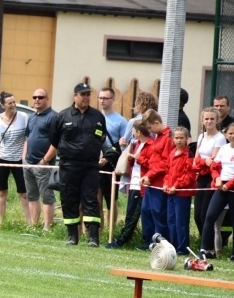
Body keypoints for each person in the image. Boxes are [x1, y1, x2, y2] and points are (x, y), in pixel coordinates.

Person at [41, 83, 107, 246]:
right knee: (69, 199)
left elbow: (102, 137)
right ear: (75, 96)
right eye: (82, 94)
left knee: (91, 199)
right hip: (69, 165)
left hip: (90, 166)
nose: (86, 97)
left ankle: (93, 237)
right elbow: (55, 140)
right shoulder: (63, 116)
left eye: (88, 94)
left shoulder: (98, 117)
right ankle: (72, 236)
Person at [200, 122, 234, 261]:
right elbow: (215, 166)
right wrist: (217, 179)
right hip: (221, 186)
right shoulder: (224, 149)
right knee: (210, 216)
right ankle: (206, 249)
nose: (233, 136)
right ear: (226, 134)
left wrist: (229, 185)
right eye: (230, 133)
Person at [105, 122, 151, 249]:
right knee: (130, 213)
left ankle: (123, 240)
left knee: (135, 214)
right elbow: (134, 164)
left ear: (138, 132)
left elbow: (151, 163)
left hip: (141, 185)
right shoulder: (137, 144)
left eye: (134, 131)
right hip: (133, 183)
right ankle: (125, 238)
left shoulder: (150, 144)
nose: (133, 134)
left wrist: (137, 158)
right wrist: (131, 158)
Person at [0, 91, 31, 226]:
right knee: (2, 192)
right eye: (10, 103)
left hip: (19, 159)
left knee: (23, 193)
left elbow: (27, 138)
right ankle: (0, 223)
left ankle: (30, 223)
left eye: (14, 102)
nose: (13, 105)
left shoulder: (23, 117)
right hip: (2, 158)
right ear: (3, 105)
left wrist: (23, 154)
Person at [137, 109, 173, 249]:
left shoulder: (168, 137)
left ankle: (162, 243)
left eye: (150, 127)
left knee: (158, 213)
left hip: (159, 182)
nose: (150, 131)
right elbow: (154, 159)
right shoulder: (158, 136)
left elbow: (165, 163)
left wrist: (149, 175)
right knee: (146, 211)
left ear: (157, 122)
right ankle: (149, 241)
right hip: (151, 181)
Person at [23, 88, 58, 230]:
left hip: (44, 164)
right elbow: (27, 138)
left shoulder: (53, 117)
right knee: (31, 196)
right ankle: (34, 225)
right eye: (35, 97)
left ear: (47, 99)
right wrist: (24, 158)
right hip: (28, 163)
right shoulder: (31, 117)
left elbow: (56, 143)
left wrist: (44, 160)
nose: (37, 99)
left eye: (40, 97)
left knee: (47, 196)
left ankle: (47, 227)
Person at [192, 108, 226, 241]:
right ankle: (204, 240)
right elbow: (195, 161)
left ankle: (208, 245)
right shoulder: (201, 137)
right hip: (201, 176)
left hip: (211, 178)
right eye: (206, 119)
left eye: (212, 118)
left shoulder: (220, 138)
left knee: (205, 215)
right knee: (197, 215)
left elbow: (213, 162)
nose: (209, 121)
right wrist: (203, 162)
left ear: (217, 120)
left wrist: (204, 162)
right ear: (202, 121)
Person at [163, 127, 196, 255]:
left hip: (182, 194)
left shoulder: (189, 154)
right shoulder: (172, 153)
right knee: (171, 220)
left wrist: (176, 186)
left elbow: (189, 176)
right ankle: (174, 246)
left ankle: (183, 248)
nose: (179, 140)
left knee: (181, 221)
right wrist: (166, 184)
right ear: (172, 139)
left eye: (181, 138)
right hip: (170, 192)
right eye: (176, 138)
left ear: (187, 139)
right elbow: (168, 172)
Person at [97, 87, 125, 228]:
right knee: (96, 199)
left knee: (111, 200)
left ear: (113, 99)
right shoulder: (95, 117)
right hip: (96, 162)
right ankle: (98, 230)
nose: (102, 101)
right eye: (100, 98)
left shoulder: (120, 121)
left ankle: (110, 231)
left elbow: (123, 144)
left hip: (111, 164)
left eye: (105, 98)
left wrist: (107, 159)